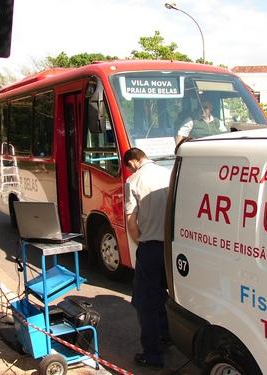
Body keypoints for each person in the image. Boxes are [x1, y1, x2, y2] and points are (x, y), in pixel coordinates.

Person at [123, 147, 172, 369]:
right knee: (164, 293)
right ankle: (166, 335)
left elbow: (131, 222)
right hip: (173, 247)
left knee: (146, 302)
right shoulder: (169, 173)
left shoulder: (133, 181)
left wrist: (140, 241)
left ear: (132, 162)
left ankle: (152, 355)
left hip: (151, 248)